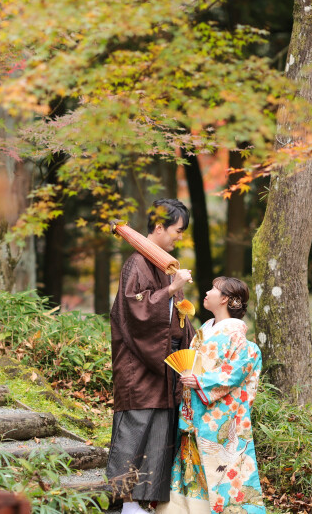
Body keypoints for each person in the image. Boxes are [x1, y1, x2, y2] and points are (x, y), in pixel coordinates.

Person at [107, 199, 196, 514]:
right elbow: (136, 311)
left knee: (160, 433)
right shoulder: (137, 263)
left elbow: (179, 320)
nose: (179, 238)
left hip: (165, 364)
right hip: (140, 366)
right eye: (177, 230)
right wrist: (172, 290)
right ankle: (124, 504)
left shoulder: (162, 264)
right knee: (136, 431)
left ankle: (145, 504)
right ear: (159, 227)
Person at [156, 276, 266, 514]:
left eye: (213, 289)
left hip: (219, 413)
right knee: (191, 462)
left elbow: (235, 372)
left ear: (225, 298)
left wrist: (201, 381)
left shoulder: (237, 336)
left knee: (223, 466)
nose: (207, 292)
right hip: (195, 407)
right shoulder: (205, 329)